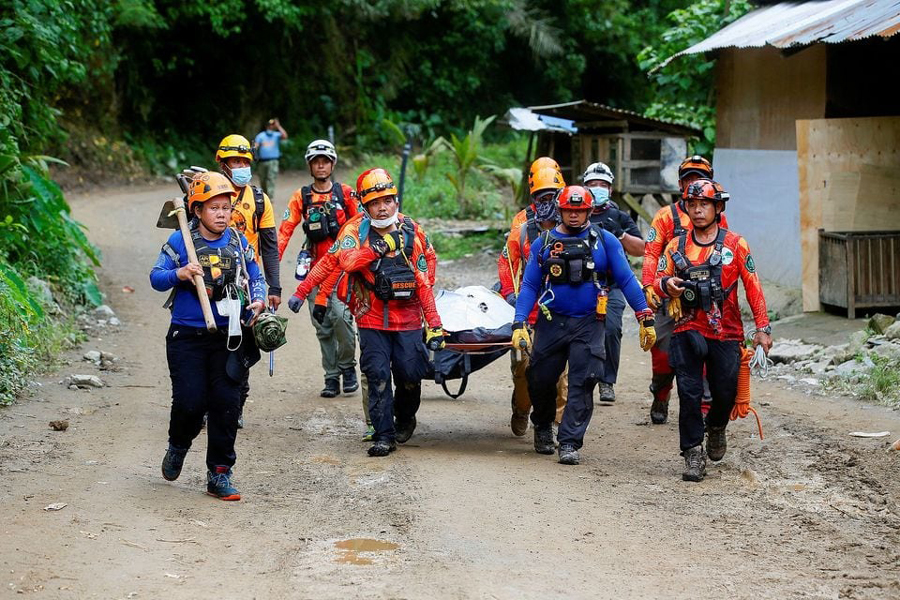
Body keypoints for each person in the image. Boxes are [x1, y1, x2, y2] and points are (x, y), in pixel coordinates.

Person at [513, 186, 657, 465]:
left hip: (590, 323)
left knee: (584, 380)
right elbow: (530, 284)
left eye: (579, 211)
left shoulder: (606, 241)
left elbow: (627, 279)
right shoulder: (543, 243)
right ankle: (542, 424)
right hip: (552, 320)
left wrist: (644, 314)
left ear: (589, 211)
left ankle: (569, 442)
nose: (574, 216)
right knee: (539, 378)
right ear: (560, 210)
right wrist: (519, 321)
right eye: (569, 210)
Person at [150, 172, 266, 501]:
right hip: (186, 335)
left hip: (230, 336)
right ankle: (178, 445)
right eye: (213, 207)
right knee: (190, 403)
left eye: (226, 207)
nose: (221, 214)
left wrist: (257, 299)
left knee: (226, 405)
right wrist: (181, 273)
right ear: (197, 211)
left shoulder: (239, 244)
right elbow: (156, 277)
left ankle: (219, 474)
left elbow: (255, 277)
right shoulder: (180, 242)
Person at [653, 178, 771, 481]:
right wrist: (667, 284)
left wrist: (763, 328)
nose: (697, 210)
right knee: (689, 392)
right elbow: (658, 278)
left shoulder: (736, 244)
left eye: (704, 204)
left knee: (725, 393)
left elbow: (753, 287)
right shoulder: (675, 245)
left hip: (727, 332)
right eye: (692, 204)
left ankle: (717, 426)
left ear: (717, 207)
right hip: (686, 328)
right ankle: (693, 453)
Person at [337, 168, 445, 457]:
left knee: (411, 374)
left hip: (408, 317)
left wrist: (432, 318)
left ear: (396, 201)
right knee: (377, 374)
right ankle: (384, 435)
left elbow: (426, 270)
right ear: (365, 206)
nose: (382, 207)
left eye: (387, 200)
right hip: (370, 316)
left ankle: (406, 416)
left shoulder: (413, 230)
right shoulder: (355, 230)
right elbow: (346, 262)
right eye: (375, 202)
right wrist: (378, 248)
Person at [641, 155, 726, 425]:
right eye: (689, 178)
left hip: (704, 297)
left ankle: (702, 413)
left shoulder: (718, 217)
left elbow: (727, 253)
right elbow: (652, 253)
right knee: (664, 354)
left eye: (700, 178)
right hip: (670, 296)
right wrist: (648, 287)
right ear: (680, 183)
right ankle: (661, 392)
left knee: (704, 353)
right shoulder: (666, 217)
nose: (695, 183)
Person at [281, 140, 360, 398]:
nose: (321, 165)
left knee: (342, 319)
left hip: (343, 269)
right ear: (310, 165)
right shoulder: (302, 197)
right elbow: (284, 231)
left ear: (333, 163)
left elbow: (363, 225)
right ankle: (331, 377)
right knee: (323, 325)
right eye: (316, 161)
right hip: (314, 269)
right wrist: (271, 267)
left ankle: (348, 366)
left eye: (325, 160)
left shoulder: (345, 194)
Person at [498, 159, 568, 436]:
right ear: (533, 196)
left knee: (561, 375)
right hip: (530, 308)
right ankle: (521, 407)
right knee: (525, 368)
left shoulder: (573, 219)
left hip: (561, 308)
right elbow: (507, 262)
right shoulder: (523, 224)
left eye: (553, 195)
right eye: (542, 196)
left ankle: (559, 427)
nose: (547, 202)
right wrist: (511, 298)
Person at [215, 134, 281, 428]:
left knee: (240, 347)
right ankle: (208, 403)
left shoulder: (258, 199)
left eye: (245, 161)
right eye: (235, 161)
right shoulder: (207, 196)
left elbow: (269, 245)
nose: (242, 166)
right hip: (210, 280)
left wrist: (274, 287)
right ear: (222, 164)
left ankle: (235, 403)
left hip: (245, 284)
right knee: (208, 344)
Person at [581, 161, 645, 403]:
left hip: (612, 285)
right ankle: (581, 378)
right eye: (592, 185)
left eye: (603, 185)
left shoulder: (619, 216)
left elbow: (641, 249)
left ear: (610, 189)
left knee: (611, 329)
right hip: (581, 284)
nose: (598, 188)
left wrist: (619, 233)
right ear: (584, 187)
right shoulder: (574, 214)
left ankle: (606, 382)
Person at [253, 118, 288, 201]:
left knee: (271, 179)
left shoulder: (276, 135)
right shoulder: (261, 136)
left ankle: (270, 198)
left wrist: (278, 126)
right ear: (266, 126)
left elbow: (285, 136)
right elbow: (256, 146)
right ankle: (265, 196)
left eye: (272, 125)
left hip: (273, 161)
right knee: (263, 180)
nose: (271, 127)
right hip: (262, 162)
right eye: (269, 125)